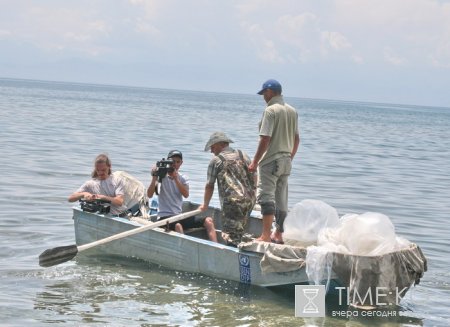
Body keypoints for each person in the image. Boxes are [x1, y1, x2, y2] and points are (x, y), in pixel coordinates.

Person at [248, 79, 300, 244]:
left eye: (264, 93)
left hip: (271, 160)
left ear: (269, 92)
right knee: (282, 198)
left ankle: (265, 235)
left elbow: (265, 139)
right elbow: (297, 139)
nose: (263, 97)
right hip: (286, 160)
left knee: (266, 196)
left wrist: (255, 161)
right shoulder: (292, 111)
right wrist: (289, 157)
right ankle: (278, 233)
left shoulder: (270, 110)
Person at [199, 132, 256, 246]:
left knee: (231, 236)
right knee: (239, 230)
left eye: (213, 147)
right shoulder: (243, 155)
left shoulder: (216, 161)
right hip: (249, 200)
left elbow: (209, 185)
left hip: (233, 203)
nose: (211, 151)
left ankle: (233, 258)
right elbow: (254, 175)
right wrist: (253, 192)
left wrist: (205, 204)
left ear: (221, 144)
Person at [147, 150, 217, 242]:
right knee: (178, 226)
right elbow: (150, 194)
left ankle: (216, 246)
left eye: (178, 162)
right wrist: (154, 178)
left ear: (181, 163)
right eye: (173, 161)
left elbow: (186, 194)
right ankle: (184, 251)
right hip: (164, 217)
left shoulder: (183, 178)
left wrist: (176, 179)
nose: (175, 164)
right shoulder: (162, 176)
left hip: (178, 216)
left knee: (208, 221)